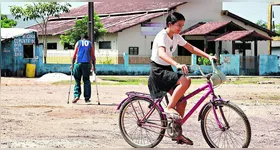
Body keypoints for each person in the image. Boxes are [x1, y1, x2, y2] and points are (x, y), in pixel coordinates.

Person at [148, 12, 216, 145]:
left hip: (167, 68)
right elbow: (161, 54)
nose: (180, 28)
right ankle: (169, 107)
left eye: (182, 25)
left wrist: (208, 56)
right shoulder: (162, 36)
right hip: (158, 70)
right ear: (170, 24)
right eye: (178, 25)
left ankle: (177, 134)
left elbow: (191, 48)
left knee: (183, 102)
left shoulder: (176, 37)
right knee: (186, 80)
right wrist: (177, 64)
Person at [70, 35, 95, 103]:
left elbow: (74, 55)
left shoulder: (78, 43)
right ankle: (87, 98)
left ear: (82, 38)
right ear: (87, 38)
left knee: (77, 80)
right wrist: (94, 66)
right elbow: (92, 56)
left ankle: (76, 96)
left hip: (78, 64)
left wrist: (72, 65)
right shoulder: (90, 44)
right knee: (86, 80)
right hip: (87, 64)